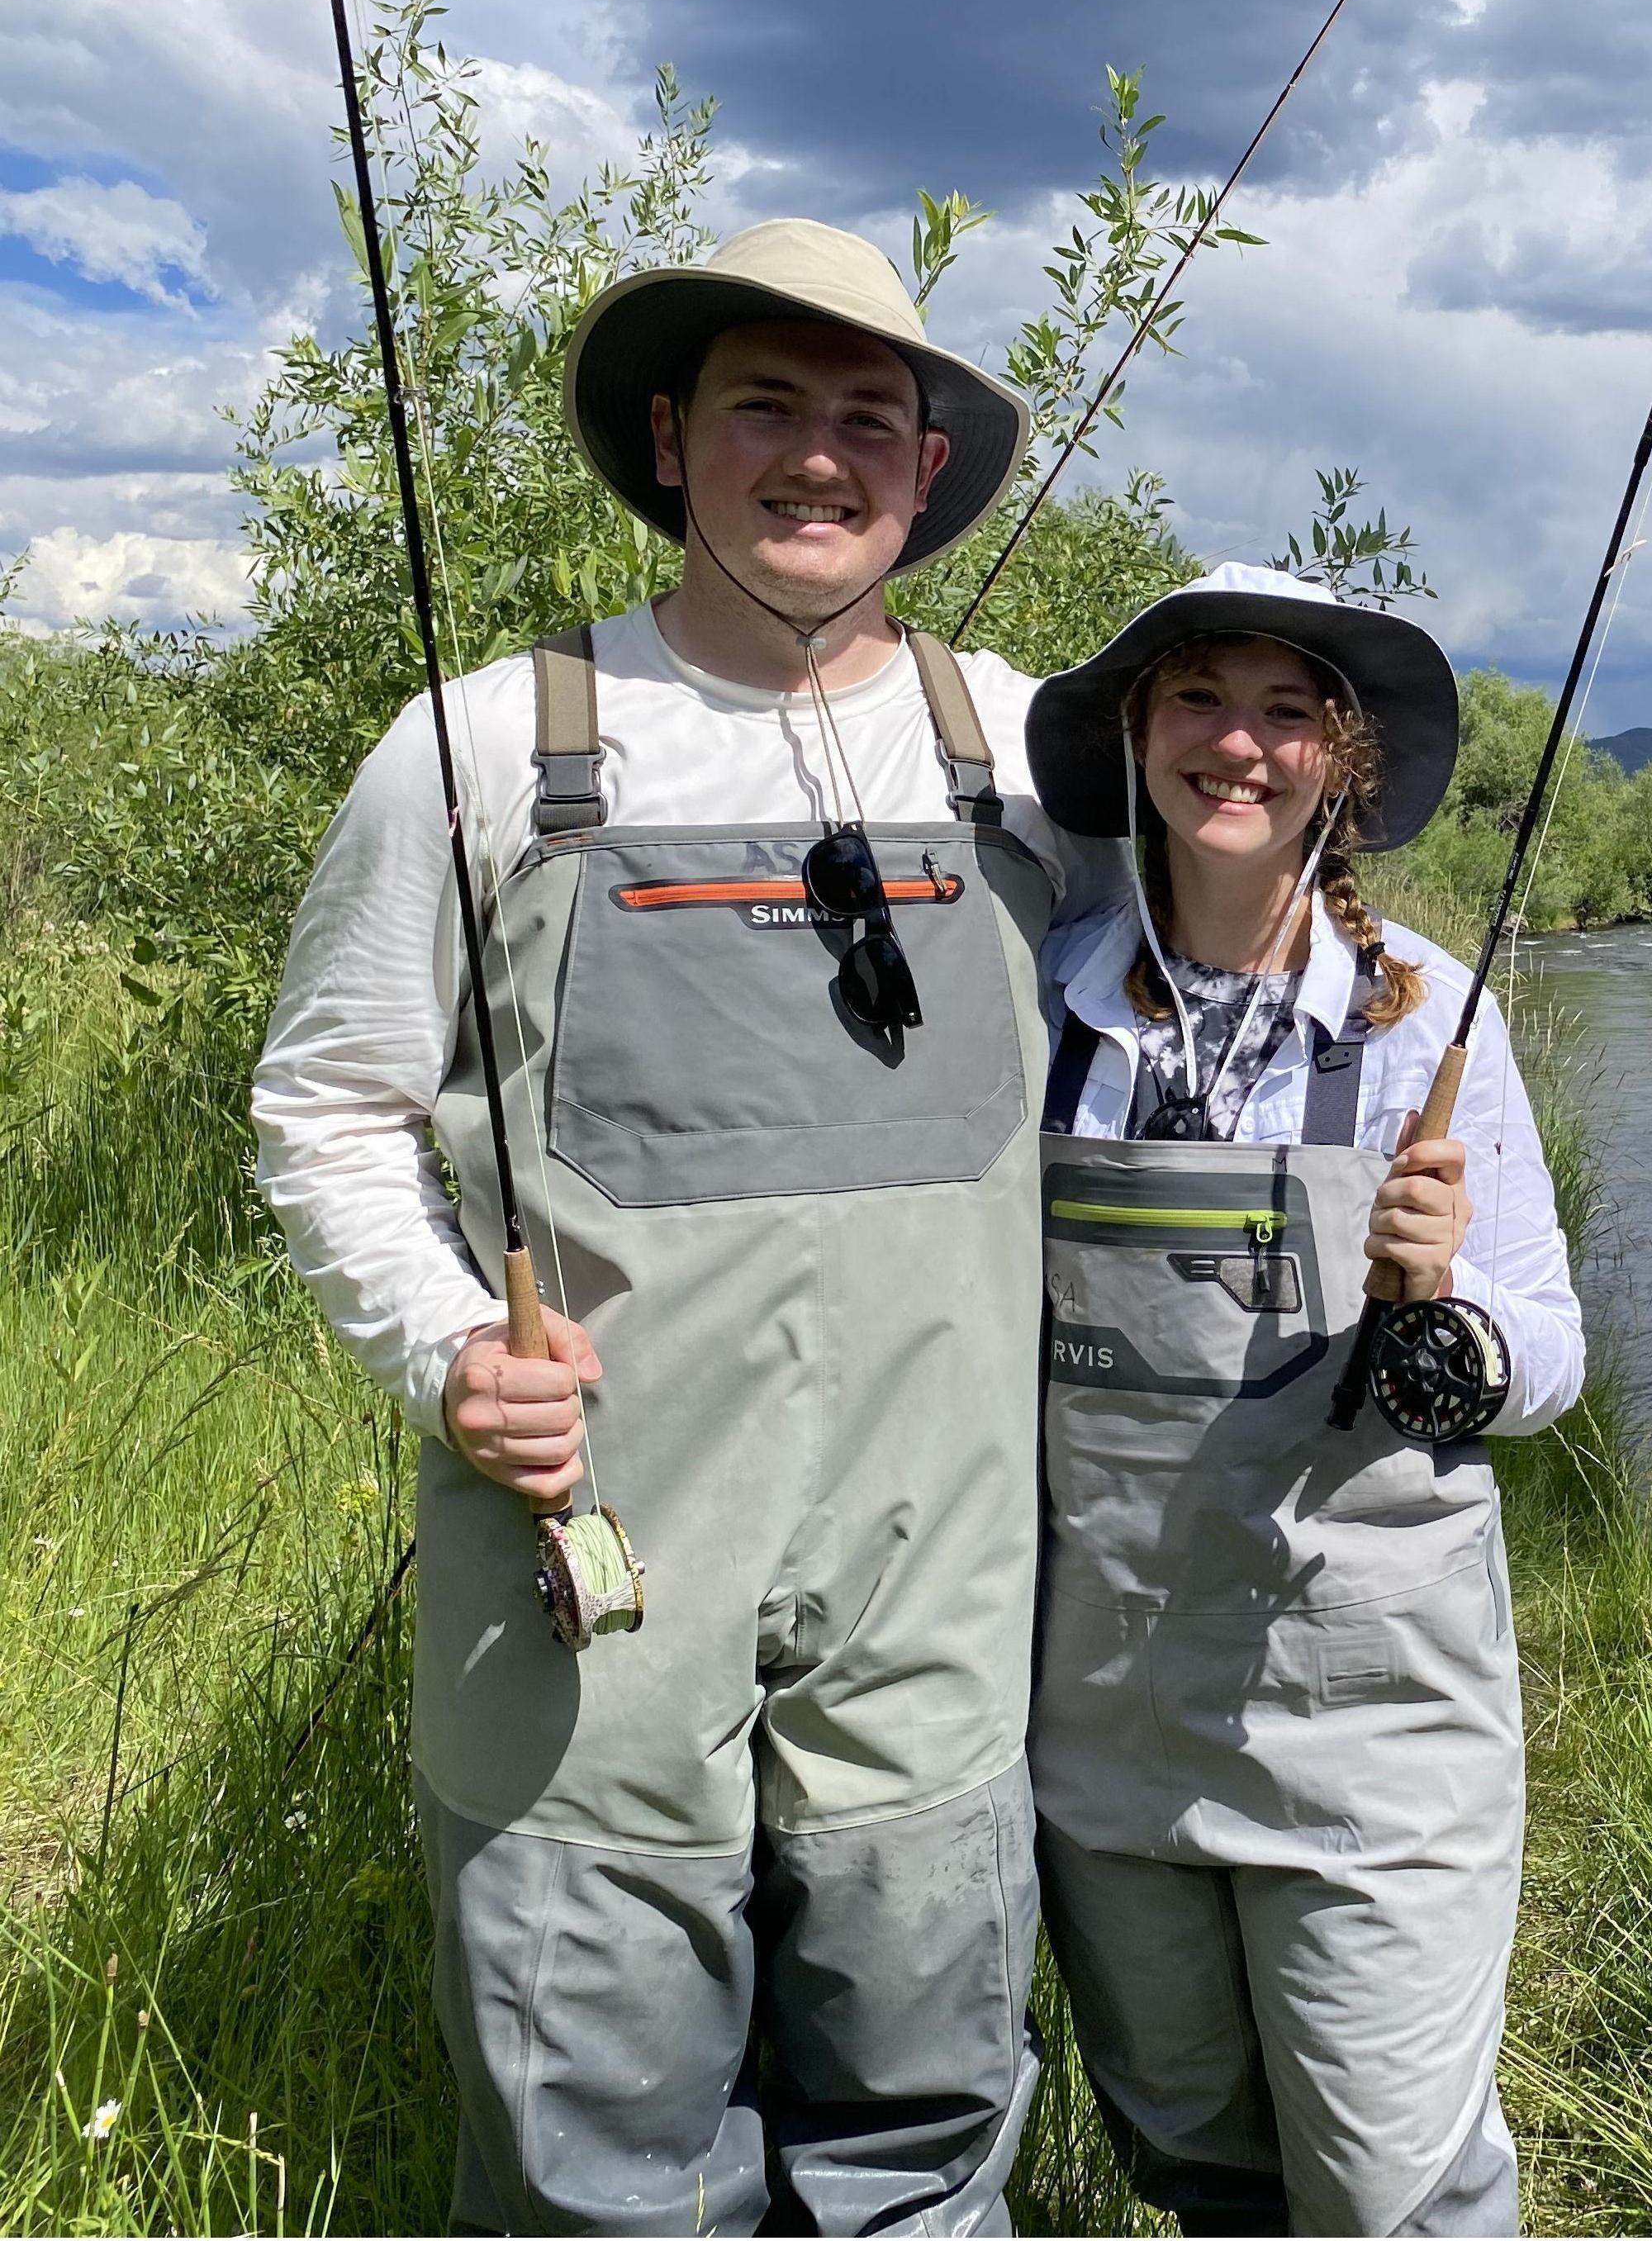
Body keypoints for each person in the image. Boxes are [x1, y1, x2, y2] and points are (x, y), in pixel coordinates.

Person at [253, 218, 1104, 2235]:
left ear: (922, 474)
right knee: (594, 2153)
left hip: (939, 1583)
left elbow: (1231, 948)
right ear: (669, 438)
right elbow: (331, 1108)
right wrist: (447, 1351)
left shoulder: (1036, 748)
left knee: (924, 2113)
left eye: (862, 420)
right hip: (583, 1574)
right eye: (763, 407)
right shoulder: (473, 745)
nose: (815, 457)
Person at [1020, 564, 1586, 2236]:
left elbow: (1552, 1353)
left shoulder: (1429, 1025)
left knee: (1386, 2185)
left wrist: (1452, 1309)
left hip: (1373, 1725)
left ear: (1339, 765)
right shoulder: (1039, 1000)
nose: (1238, 744)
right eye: (1198, 698)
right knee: (1201, 2162)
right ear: (1136, 733)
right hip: (1103, 1722)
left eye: (1287, 711)